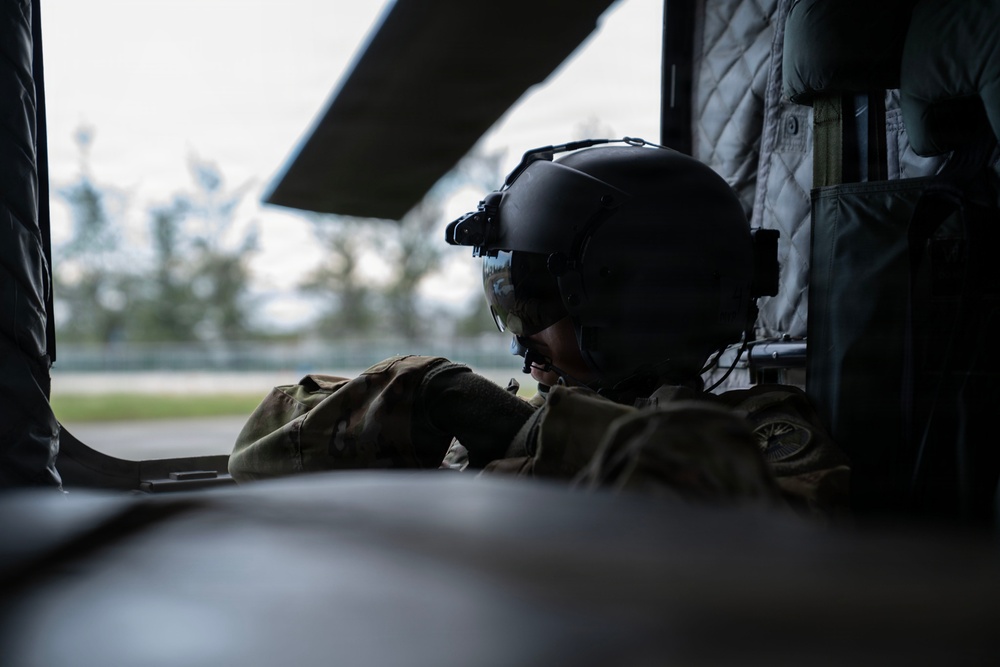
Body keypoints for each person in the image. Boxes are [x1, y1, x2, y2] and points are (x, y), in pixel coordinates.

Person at [229, 138, 849, 518]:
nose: (518, 334)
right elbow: (259, 455)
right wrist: (426, 394)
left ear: (637, 304)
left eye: (536, 303)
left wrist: (530, 435)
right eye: (507, 301)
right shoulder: (511, 413)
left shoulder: (759, 431)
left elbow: (783, 541)